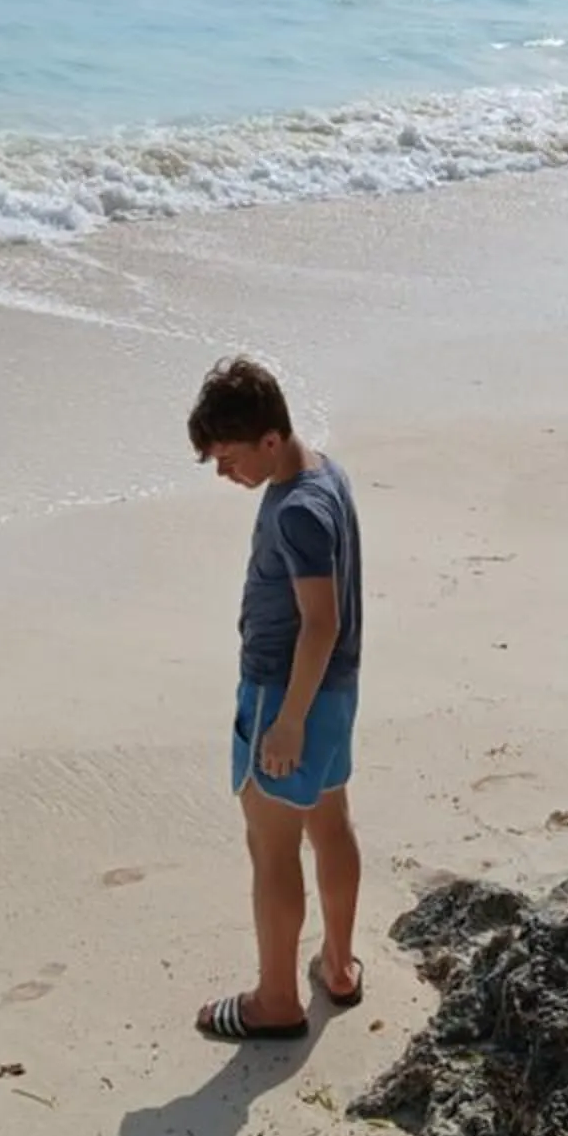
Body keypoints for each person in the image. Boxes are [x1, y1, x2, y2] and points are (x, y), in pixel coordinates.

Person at [188, 357, 364, 1044]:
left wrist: (286, 721)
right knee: (330, 823)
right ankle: (340, 966)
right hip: (336, 691)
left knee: (272, 847)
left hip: (285, 696)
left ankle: (275, 1001)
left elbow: (321, 621)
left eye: (228, 458)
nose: (223, 473)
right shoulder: (323, 473)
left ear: (268, 440)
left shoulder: (296, 512)